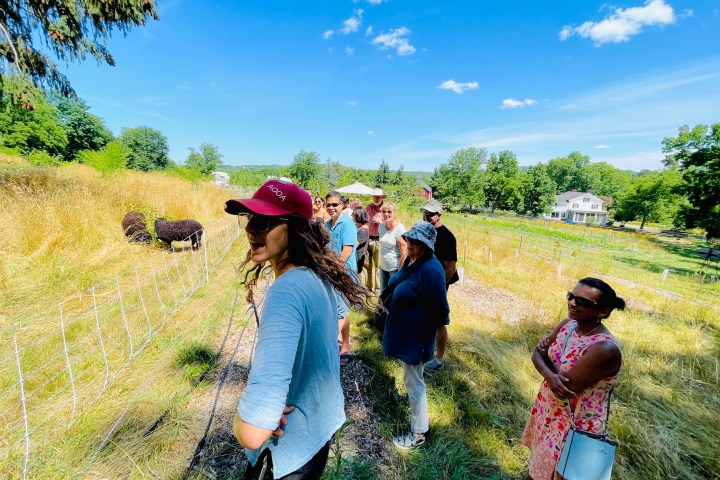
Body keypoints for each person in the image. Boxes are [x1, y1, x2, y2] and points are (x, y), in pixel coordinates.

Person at [225, 179, 370, 480]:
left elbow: (253, 433)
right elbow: (340, 318)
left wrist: (247, 421)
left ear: (295, 229)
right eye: (251, 218)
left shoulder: (286, 290)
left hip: (289, 450)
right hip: (316, 433)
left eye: (266, 221)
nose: (252, 229)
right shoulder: (317, 273)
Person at [522, 277, 624, 480]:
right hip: (549, 414)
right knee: (537, 471)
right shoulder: (568, 325)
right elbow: (536, 353)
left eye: (583, 302)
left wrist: (547, 370)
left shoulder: (604, 349)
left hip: (573, 428)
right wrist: (551, 375)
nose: (572, 303)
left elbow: (565, 387)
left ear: (603, 312)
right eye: (572, 296)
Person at [382, 221, 449, 449]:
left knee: (415, 383)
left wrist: (439, 354)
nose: (409, 243)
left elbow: (441, 314)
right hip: (406, 335)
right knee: (411, 379)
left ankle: (419, 433)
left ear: (427, 245)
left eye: (415, 241)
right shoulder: (415, 262)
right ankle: (417, 421)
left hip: (416, 339)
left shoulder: (431, 270)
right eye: (409, 239)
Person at [422, 200, 458, 372]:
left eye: (430, 214)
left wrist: (439, 287)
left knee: (438, 321)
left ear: (439, 215)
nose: (426, 216)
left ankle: (439, 359)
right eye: (425, 213)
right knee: (424, 316)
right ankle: (424, 349)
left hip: (438, 285)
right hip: (422, 282)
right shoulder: (424, 232)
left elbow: (450, 268)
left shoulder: (447, 237)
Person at [325, 191, 358, 361]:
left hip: (344, 274)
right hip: (331, 272)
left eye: (334, 204)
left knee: (341, 310)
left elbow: (347, 251)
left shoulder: (347, 224)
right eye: (328, 204)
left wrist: (332, 268)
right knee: (334, 309)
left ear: (342, 205)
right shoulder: (327, 224)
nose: (331, 208)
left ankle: (345, 347)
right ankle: (338, 340)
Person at [378, 202, 407, 290]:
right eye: (384, 212)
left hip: (395, 268)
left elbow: (404, 253)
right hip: (383, 266)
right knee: (384, 293)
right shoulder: (381, 226)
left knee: (393, 294)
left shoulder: (400, 229)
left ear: (394, 213)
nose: (386, 214)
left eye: (389, 212)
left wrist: (400, 270)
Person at [364, 188, 387, 292]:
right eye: (374, 196)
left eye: (378, 196)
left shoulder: (386, 208)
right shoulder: (369, 207)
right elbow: (364, 220)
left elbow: (391, 224)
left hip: (380, 239)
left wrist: (380, 222)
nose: (376, 198)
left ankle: (378, 288)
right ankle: (369, 287)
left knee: (378, 265)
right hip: (368, 238)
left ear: (382, 197)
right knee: (367, 264)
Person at [353, 207, 369, 284]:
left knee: (357, 278)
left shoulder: (363, 230)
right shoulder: (361, 228)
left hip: (358, 257)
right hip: (358, 256)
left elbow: (355, 245)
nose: (352, 216)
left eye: (353, 215)